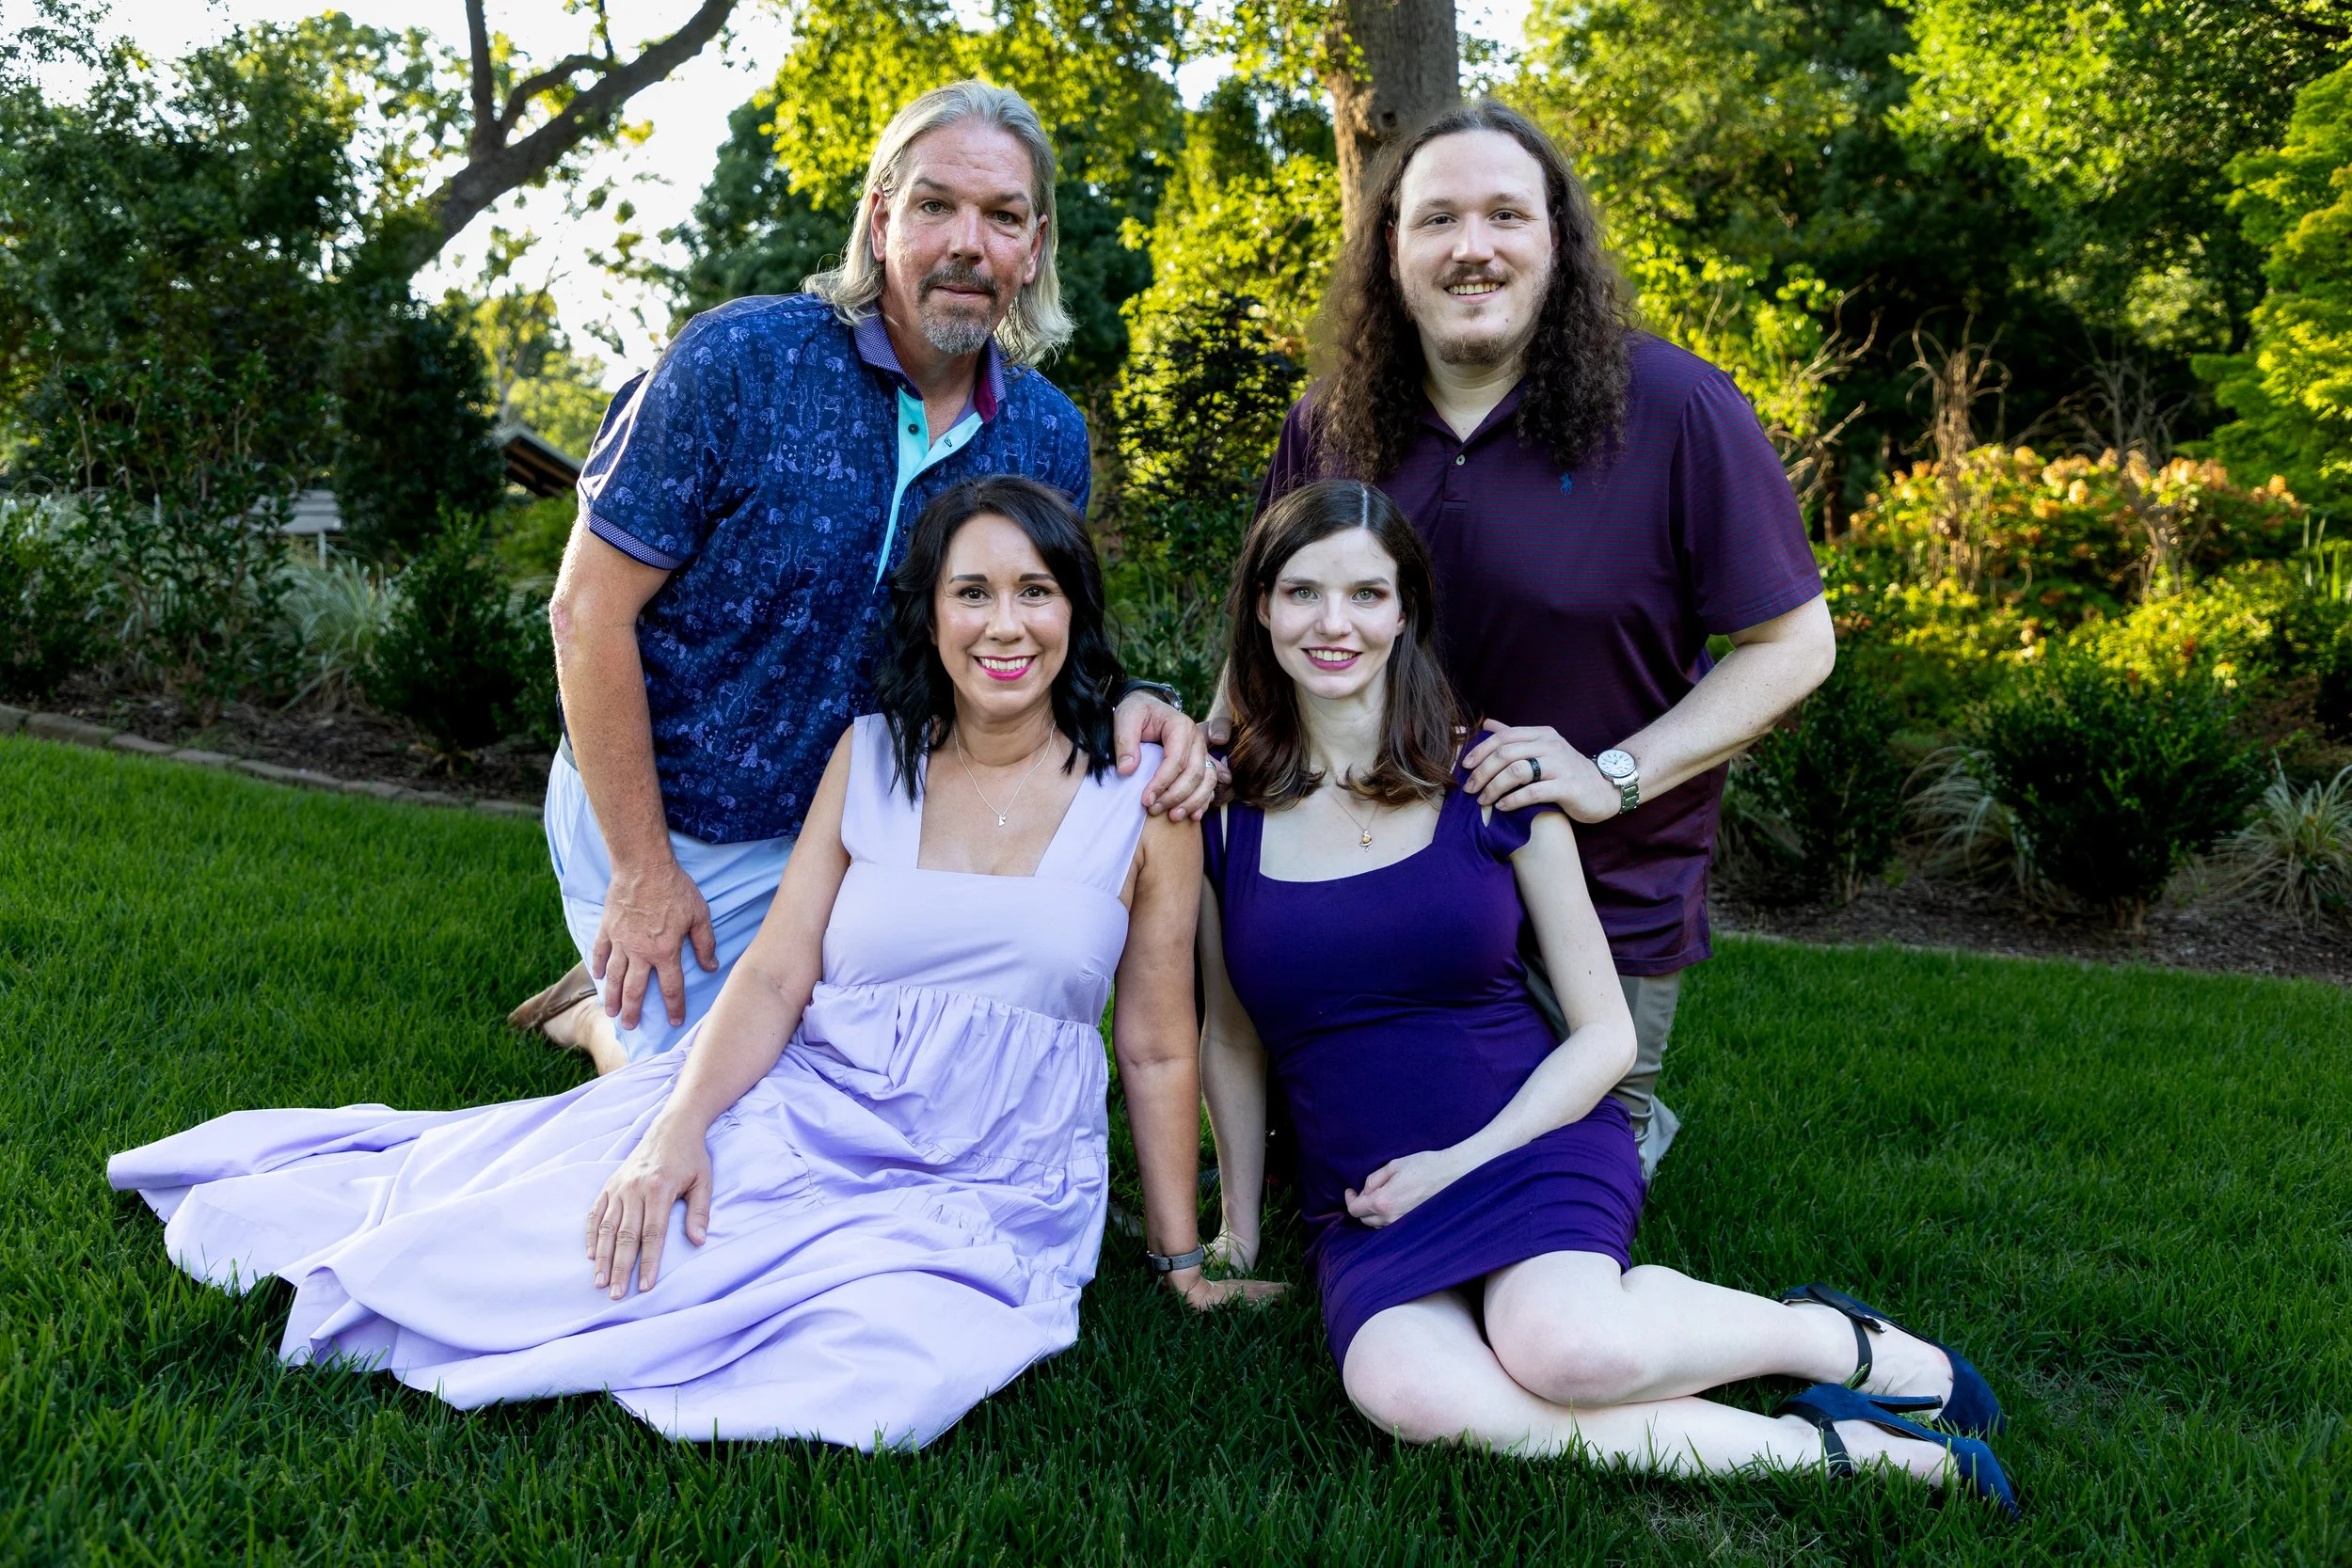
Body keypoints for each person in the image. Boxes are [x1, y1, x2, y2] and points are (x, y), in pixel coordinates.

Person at [108, 477, 1270, 1449]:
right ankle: (573, 1151)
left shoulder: (1142, 799)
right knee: (583, 1235)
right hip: (814, 1106)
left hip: (990, 1178)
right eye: (971, 592)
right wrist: (675, 1134)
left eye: (1035, 591)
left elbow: (1158, 1040)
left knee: (884, 1378)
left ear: (1075, 610)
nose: (1003, 625)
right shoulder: (868, 755)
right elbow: (771, 974)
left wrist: (1177, 1256)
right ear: (928, 615)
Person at [1196, 480, 2012, 1510]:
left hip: (1525, 1139)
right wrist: (1237, 1235)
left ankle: (1836, 1338)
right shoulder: (1225, 815)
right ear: (1260, 608)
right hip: (1370, 1192)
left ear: (1404, 610)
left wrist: (1459, 1162)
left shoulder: (1494, 779)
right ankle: (1856, 1456)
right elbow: (1229, 1036)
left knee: (1567, 1348)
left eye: (1366, 593)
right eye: (1301, 592)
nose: (1332, 623)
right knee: (1405, 1389)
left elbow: (1604, 1035)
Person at [509, 80, 1212, 1075]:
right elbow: (587, 611)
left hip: (870, 828)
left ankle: (635, 994)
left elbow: (1037, 643)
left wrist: (1146, 704)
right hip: (672, 812)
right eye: (936, 205)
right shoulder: (738, 363)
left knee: (878, 1078)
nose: (969, 242)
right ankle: (601, 1009)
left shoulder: (1045, 434)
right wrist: (642, 871)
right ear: (881, 218)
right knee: (699, 1095)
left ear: (1035, 245)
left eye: (1002, 216)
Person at [1246, 101, 1837, 1179]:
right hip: (1372, 893)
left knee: (1541, 1208)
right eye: (1436, 220)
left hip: (1599, 897)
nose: (1472, 247)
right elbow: (1267, 640)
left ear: (1554, 241)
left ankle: (1619, 1127)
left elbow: (1793, 642)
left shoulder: (1676, 407)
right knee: (1353, 1184)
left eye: (1505, 214)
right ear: (1391, 250)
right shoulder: (1328, 425)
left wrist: (1614, 772)